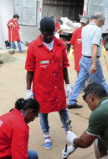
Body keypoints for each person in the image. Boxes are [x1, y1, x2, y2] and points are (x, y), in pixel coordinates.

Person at [25, 16, 72, 150]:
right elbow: (30, 71)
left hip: (57, 87)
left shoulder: (60, 45)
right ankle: (46, 135)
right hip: (42, 88)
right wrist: (28, 91)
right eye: (46, 34)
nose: (48, 37)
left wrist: (67, 84)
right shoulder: (33, 46)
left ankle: (69, 131)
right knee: (43, 113)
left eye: (51, 34)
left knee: (63, 110)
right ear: (41, 31)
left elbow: (64, 67)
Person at [67, 13, 108, 109]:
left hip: (83, 58)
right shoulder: (97, 29)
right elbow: (93, 46)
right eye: (103, 23)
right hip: (91, 59)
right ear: (99, 21)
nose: (102, 25)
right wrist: (94, 64)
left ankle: (71, 101)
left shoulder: (85, 28)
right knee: (101, 81)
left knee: (79, 82)